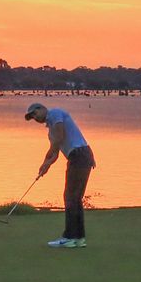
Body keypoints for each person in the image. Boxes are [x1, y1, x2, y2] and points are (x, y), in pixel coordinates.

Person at [25, 101, 96, 249]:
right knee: (74, 198)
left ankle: (69, 237)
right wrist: (46, 165)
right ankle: (78, 238)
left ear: (42, 108)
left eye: (35, 113)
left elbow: (59, 138)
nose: (35, 118)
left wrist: (47, 159)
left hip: (79, 154)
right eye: (32, 117)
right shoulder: (50, 132)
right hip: (79, 156)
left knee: (70, 197)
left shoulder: (55, 113)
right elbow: (55, 153)